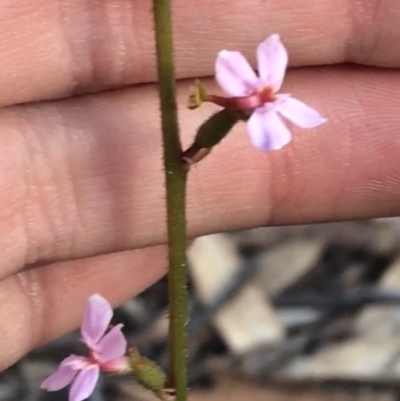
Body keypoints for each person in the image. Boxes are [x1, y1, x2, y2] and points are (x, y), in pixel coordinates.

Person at [0, 0, 399, 371]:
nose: (265, 93)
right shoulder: (247, 97)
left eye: (266, 92)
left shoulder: (262, 109)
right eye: (261, 92)